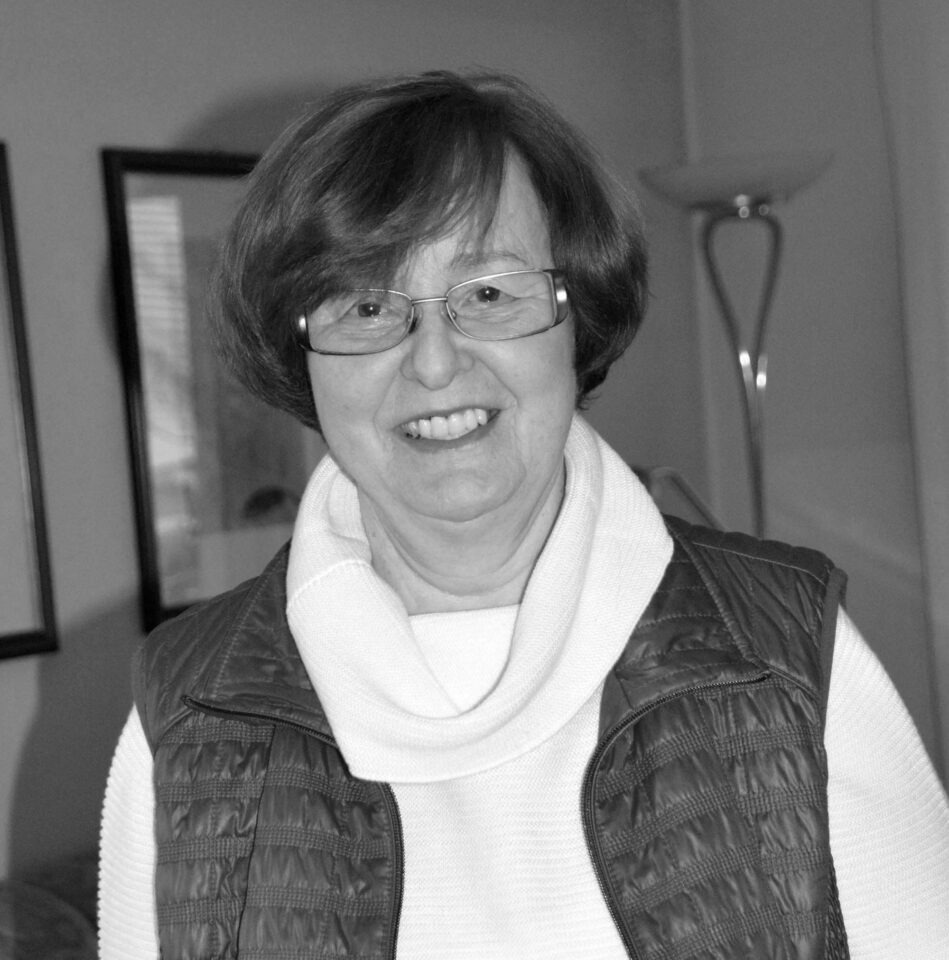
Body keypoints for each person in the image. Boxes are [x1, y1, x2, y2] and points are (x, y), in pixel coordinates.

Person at [99, 70, 949, 960]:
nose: (433, 363)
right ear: (300, 356)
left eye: (489, 294)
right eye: (366, 305)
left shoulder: (783, 654)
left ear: (575, 320)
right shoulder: (192, 715)